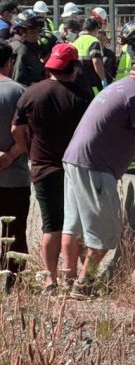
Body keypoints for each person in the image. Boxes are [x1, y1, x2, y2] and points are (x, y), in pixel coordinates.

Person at [62, 52, 135, 298]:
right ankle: (84, 283)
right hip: (96, 167)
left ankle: (67, 278)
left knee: (74, 228)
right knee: (104, 236)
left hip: (74, 161)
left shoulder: (118, 87)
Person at [12, 43, 91, 293]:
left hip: (42, 168)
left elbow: (16, 129)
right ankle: (73, 277)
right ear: (74, 66)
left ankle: (50, 280)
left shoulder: (32, 93)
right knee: (73, 225)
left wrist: (28, 149)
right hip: (74, 168)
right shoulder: (81, 96)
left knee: (51, 225)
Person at [0, 42, 29, 291]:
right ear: (10, 62)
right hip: (14, 177)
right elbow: (27, 133)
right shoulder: (20, 91)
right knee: (15, 230)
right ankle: (12, 284)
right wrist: (10, 156)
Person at [72, 17, 108, 96]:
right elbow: (96, 61)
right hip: (91, 81)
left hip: (77, 80)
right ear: (95, 29)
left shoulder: (75, 41)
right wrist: (103, 79)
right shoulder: (93, 41)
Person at [11, 16, 46, 87]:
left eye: (38, 31)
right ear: (21, 31)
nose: (37, 36)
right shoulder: (22, 50)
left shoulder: (31, 45)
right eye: (32, 32)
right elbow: (18, 81)